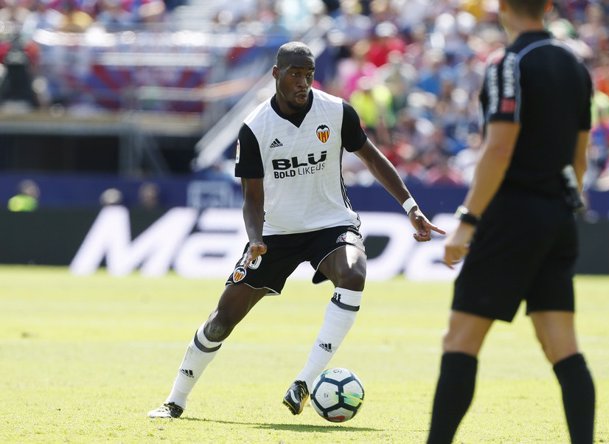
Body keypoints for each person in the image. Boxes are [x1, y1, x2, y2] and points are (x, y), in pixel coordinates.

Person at [148, 41, 444, 419]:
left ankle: (304, 381)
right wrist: (255, 239)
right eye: (294, 74)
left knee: (353, 273)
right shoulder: (255, 128)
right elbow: (252, 198)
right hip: (276, 232)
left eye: (308, 75)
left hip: (331, 223)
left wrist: (411, 207)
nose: (302, 82)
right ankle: (176, 399)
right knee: (223, 319)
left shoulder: (336, 111)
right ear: (276, 75)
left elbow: (372, 158)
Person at [426, 1, 596, 443]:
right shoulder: (576, 65)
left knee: (460, 339)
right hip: (558, 215)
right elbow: (580, 156)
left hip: (512, 216)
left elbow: (499, 148)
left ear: (502, 6)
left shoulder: (508, 62)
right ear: (549, 6)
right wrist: (564, 208)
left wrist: (468, 219)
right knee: (562, 346)